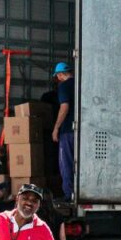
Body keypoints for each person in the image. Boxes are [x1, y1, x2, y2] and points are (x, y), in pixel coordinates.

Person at [51, 62, 75, 201]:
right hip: (81, 131)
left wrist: (56, 128)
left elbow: (64, 107)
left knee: (66, 162)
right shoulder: (80, 85)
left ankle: (68, 194)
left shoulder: (64, 86)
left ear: (60, 75)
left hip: (67, 131)